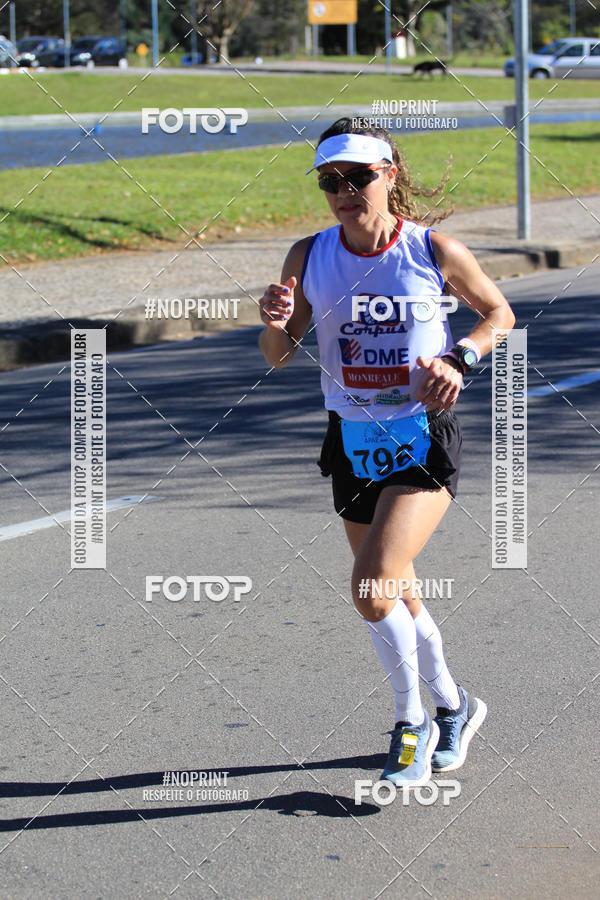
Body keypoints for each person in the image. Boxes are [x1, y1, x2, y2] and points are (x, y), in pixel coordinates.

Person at [258, 117, 515, 789]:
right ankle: (457, 707)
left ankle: (413, 723)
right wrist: (275, 320)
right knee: (393, 591)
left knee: (371, 587)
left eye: (358, 177)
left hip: (421, 436)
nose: (344, 191)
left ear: (390, 176)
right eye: (329, 181)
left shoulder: (433, 250)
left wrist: (461, 358)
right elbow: (279, 357)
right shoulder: (308, 255)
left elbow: (498, 313)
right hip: (350, 440)